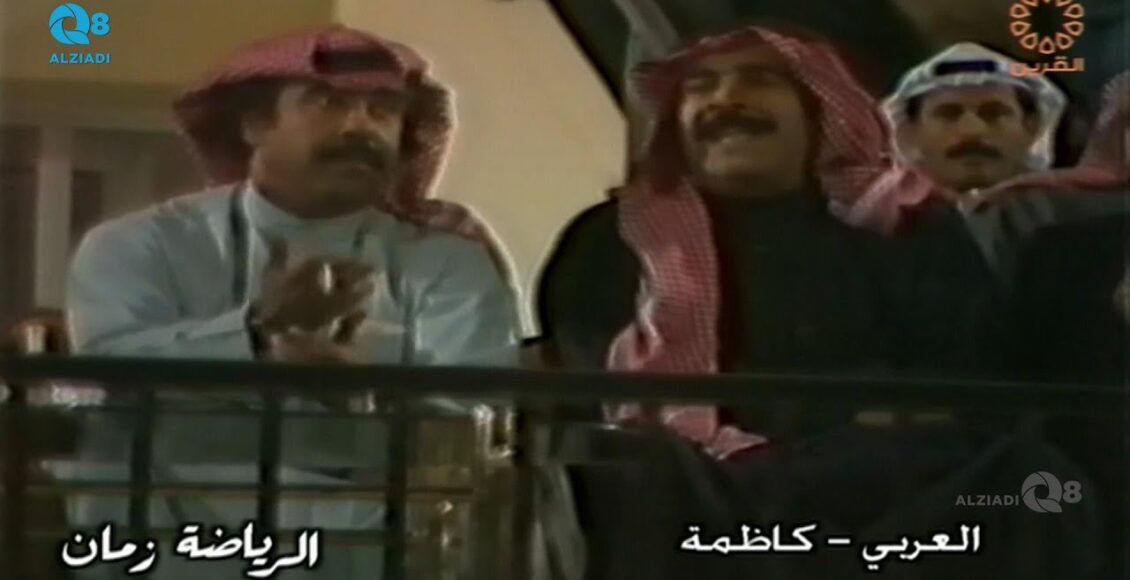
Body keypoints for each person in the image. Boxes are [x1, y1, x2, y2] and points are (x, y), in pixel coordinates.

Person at [538, 26, 1100, 579]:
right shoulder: (613, 239)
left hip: (889, 477)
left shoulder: (905, 228)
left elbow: (962, 376)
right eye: (700, 86)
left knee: (1035, 481)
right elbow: (599, 384)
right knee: (635, 471)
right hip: (706, 483)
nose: (724, 100)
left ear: (820, 113)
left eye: (759, 80)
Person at [62, 26, 519, 579]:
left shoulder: (447, 262)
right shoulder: (139, 244)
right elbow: (107, 371)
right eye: (327, 104)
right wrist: (255, 333)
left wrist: (360, 396)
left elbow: (474, 422)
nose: (359, 126)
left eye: (382, 110)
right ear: (255, 124)